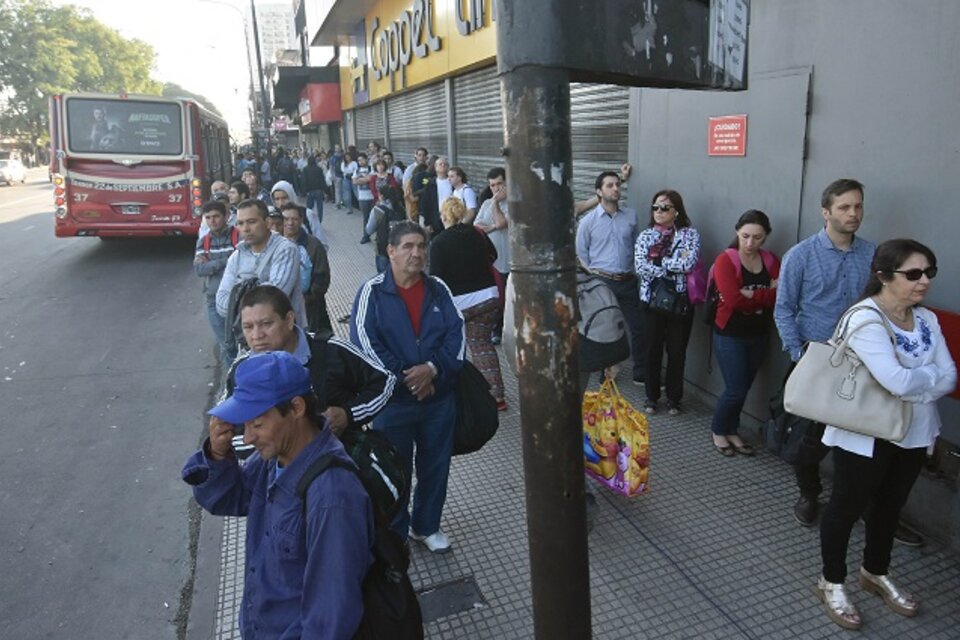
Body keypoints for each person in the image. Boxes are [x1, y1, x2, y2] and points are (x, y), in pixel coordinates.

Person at [182, 351, 375, 638]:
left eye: (256, 424)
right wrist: (217, 455)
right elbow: (227, 498)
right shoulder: (275, 459)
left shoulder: (333, 496)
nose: (246, 438)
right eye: (244, 424)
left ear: (296, 407)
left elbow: (330, 617)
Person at [815, 239, 956, 630]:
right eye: (913, 274)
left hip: (915, 431)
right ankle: (832, 580)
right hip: (865, 431)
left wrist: (916, 383)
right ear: (883, 276)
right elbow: (896, 380)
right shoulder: (865, 319)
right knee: (845, 506)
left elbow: (950, 375)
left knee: (890, 507)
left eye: (929, 272)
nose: (924, 281)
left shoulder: (925, 319)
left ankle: (875, 571)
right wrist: (924, 381)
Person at [350, 221, 465, 552]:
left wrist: (432, 369)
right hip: (393, 404)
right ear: (391, 251)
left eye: (421, 246)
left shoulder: (438, 288)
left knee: (435, 466)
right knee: (393, 472)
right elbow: (366, 347)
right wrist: (409, 379)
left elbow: (457, 336)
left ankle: (425, 526)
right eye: (408, 246)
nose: (417, 253)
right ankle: (396, 534)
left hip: (438, 399)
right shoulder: (371, 292)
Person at [774, 179, 879, 528]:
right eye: (845, 207)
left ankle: (854, 500)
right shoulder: (801, 255)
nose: (854, 213)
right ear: (826, 211)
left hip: (862, 364)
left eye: (858, 206)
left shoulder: (873, 254)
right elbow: (784, 308)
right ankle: (809, 492)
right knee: (808, 440)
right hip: (815, 361)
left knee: (860, 436)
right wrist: (798, 354)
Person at [232, 284, 395, 442]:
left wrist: (348, 414)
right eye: (248, 327)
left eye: (266, 324)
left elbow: (385, 382)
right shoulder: (240, 371)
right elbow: (232, 432)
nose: (256, 335)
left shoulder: (331, 350)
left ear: (289, 320)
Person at [709, 210, 780, 455]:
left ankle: (732, 430)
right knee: (735, 388)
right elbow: (733, 300)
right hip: (730, 333)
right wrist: (764, 294)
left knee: (743, 387)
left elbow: (779, 297)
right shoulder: (725, 260)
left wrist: (752, 295)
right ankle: (719, 429)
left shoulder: (771, 261)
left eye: (757, 238)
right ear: (737, 232)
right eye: (745, 236)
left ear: (766, 237)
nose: (750, 243)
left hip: (758, 334)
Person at [430, 197, 506, 410]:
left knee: (453, 347)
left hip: (460, 304)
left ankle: (460, 397)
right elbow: (494, 255)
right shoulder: (477, 233)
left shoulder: (439, 242)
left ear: (444, 216)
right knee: (482, 345)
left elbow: (435, 278)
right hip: (490, 297)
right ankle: (497, 397)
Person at [634, 189, 701, 415]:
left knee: (677, 350)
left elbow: (688, 264)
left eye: (665, 207)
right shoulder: (646, 236)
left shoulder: (689, 235)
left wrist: (659, 261)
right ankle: (651, 397)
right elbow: (641, 267)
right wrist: (669, 264)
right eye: (655, 207)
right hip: (651, 301)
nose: (659, 212)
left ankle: (674, 398)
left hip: (679, 301)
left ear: (676, 211)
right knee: (652, 349)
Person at [576, 171, 646, 385]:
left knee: (638, 327)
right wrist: (594, 277)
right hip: (602, 282)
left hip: (627, 280)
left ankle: (640, 373)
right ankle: (604, 372)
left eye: (617, 184)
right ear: (599, 191)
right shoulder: (588, 222)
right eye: (609, 185)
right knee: (604, 327)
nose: (616, 188)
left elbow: (637, 246)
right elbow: (581, 253)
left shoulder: (631, 216)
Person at [216, 198, 306, 335]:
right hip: (249, 342)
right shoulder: (236, 256)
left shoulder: (286, 249)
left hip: (285, 338)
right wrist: (258, 291)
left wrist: (238, 294)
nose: (246, 229)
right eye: (240, 223)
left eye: (251, 222)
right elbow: (221, 305)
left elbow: (275, 297)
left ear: (268, 223)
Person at [194, 200, 238, 367]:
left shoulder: (238, 236)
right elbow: (199, 269)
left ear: (226, 216)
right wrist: (226, 261)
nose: (212, 221)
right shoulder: (203, 242)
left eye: (216, 216)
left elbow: (242, 262)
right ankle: (232, 383)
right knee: (226, 345)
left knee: (241, 342)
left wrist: (212, 263)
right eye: (208, 217)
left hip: (237, 298)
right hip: (213, 299)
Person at [281, 203, 332, 338]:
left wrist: (307, 298)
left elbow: (322, 277)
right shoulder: (276, 244)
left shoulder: (313, 245)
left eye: (294, 219)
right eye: (286, 219)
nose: (290, 223)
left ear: (301, 220)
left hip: (311, 308)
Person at [473, 167, 510, 344]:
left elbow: (502, 222)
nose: (496, 188)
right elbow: (477, 226)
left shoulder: (514, 203)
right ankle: (497, 329)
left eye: (499, 184)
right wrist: (492, 225)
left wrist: (495, 203)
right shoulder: (486, 203)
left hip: (511, 260)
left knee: (510, 299)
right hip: (493, 261)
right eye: (492, 185)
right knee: (496, 298)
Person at [365, 185, 407, 274]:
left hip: (383, 248)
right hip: (400, 247)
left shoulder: (378, 210)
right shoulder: (401, 208)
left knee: (384, 277)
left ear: (382, 196)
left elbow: (369, 230)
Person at [352, 153, 375, 244]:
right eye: (359, 160)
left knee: (375, 218)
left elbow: (371, 179)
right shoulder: (356, 170)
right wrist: (366, 179)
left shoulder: (372, 168)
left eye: (362, 159)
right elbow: (354, 181)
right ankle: (366, 236)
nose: (361, 162)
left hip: (373, 196)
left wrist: (360, 179)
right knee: (366, 217)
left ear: (366, 159)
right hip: (362, 197)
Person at [301, 154, 326, 232]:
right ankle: (319, 223)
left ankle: (309, 222)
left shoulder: (305, 169)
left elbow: (303, 181)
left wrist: (304, 191)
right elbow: (322, 180)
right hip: (318, 190)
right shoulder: (318, 169)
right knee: (320, 207)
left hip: (310, 191)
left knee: (309, 208)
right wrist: (324, 190)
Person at [341, 151, 358, 215]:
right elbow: (343, 170)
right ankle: (349, 209)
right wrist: (350, 171)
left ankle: (361, 206)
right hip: (346, 179)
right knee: (347, 195)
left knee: (356, 192)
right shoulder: (343, 163)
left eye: (348, 157)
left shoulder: (354, 163)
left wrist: (350, 172)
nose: (347, 158)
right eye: (346, 157)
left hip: (353, 178)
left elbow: (356, 170)